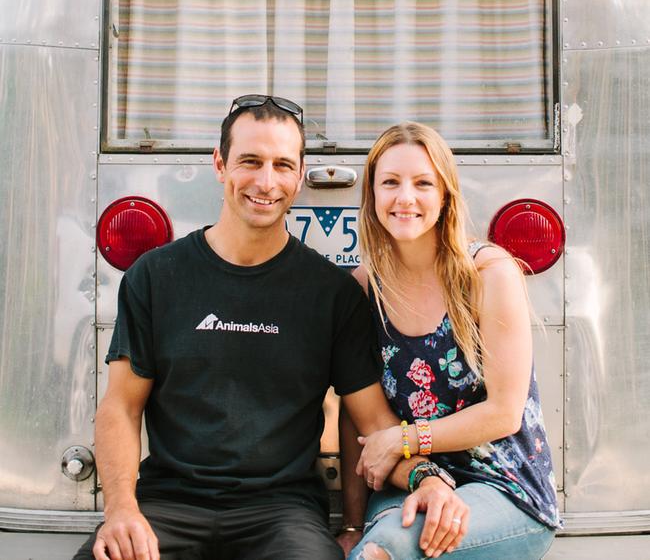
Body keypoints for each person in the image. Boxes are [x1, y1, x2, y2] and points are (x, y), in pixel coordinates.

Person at [74, 97, 465, 560]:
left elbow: (374, 422)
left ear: (299, 176)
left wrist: (429, 479)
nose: (266, 182)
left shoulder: (330, 293)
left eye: (282, 165)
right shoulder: (156, 277)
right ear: (220, 165)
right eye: (250, 162)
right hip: (168, 505)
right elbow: (120, 406)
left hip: (282, 514)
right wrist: (121, 509)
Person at [339, 122, 559, 560]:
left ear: (445, 195)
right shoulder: (365, 289)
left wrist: (403, 440)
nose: (405, 197)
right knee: (372, 548)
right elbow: (357, 416)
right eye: (390, 183)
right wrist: (351, 523)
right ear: (372, 197)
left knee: (387, 553)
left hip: (502, 480)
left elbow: (504, 413)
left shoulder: (487, 274)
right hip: (411, 476)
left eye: (423, 183)